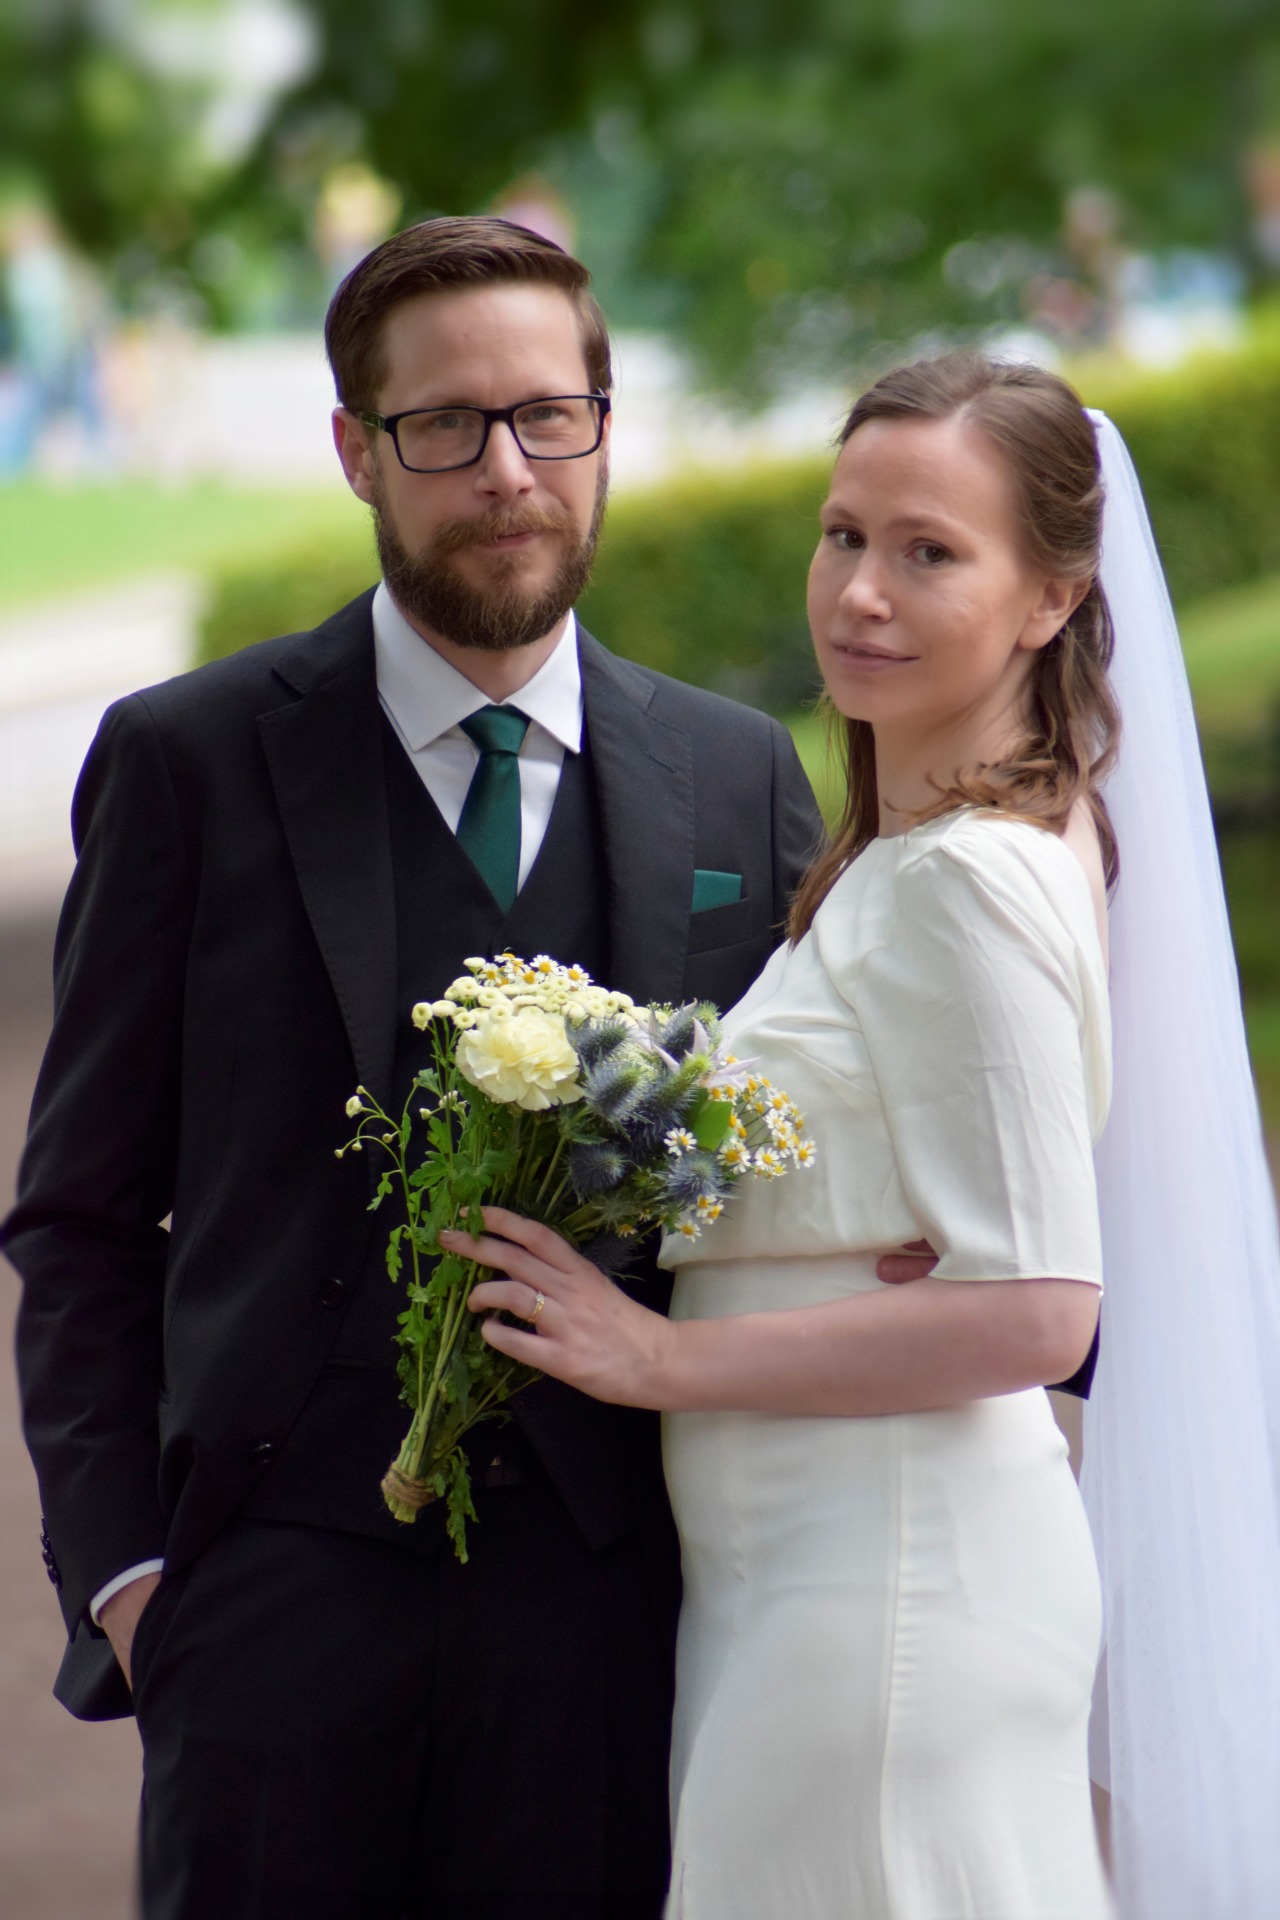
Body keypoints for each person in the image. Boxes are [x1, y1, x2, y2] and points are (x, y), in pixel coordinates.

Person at [3, 217, 824, 1919]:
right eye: (443, 425)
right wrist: (138, 1585)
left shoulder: (741, 779)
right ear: (357, 451)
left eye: (549, 416)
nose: (506, 469)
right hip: (268, 1619)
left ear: (605, 427)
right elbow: (79, 1219)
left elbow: (786, 1184)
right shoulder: (188, 761)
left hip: (623, 1628)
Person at [455, 352, 1123, 1918]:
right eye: (843, 535)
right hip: (815, 1578)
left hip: (890, 1584)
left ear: (1050, 598)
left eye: (929, 551)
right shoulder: (923, 855)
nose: (860, 594)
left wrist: (662, 1356)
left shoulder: (968, 882)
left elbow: (1038, 1305)